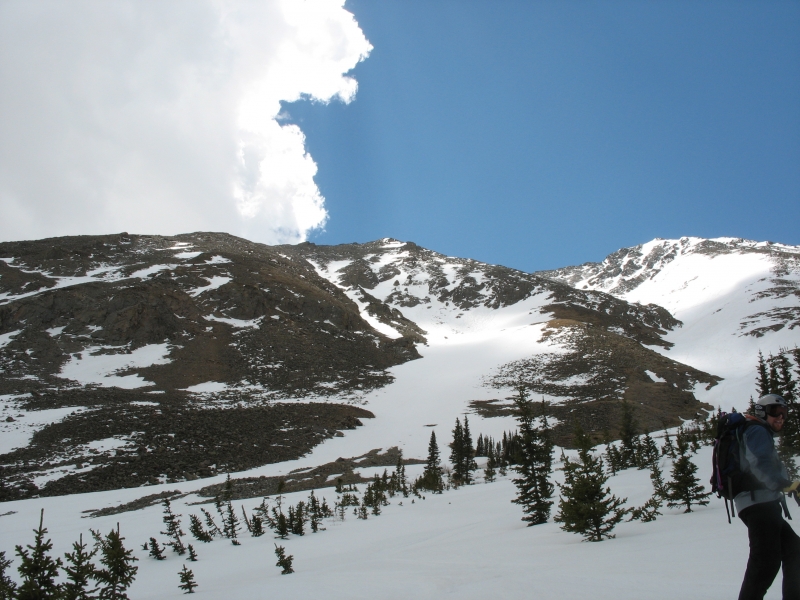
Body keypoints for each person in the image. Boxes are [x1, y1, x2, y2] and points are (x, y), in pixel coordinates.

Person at [736, 393, 800, 600]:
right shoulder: (756, 430)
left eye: (783, 413)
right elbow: (759, 462)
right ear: (762, 413)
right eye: (775, 412)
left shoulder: (758, 431)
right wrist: (783, 484)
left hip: (762, 503)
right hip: (758, 504)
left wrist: (787, 486)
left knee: (794, 550)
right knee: (765, 563)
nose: (780, 417)